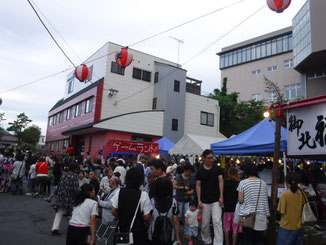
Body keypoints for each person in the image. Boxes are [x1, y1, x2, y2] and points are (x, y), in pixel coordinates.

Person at [111, 167, 152, 245]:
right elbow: (147, 217)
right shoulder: (143, 195)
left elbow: (113, 210)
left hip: (122, 229)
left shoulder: (119, 191)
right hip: (138, 232)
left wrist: (120, 216)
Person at [196, 149, 224, 245]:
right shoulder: (200, 170)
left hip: (216, 199)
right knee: (204, 224)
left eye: (212, 158)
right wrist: (199, 200)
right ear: (204, 158)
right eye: (209, 158)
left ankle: (218, 243)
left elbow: (221, 181)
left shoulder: (217, 168)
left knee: (217, 222)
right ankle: (207, 240)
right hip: (204, 200)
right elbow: (198, 185)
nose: (211, 160)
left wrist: (221, 196)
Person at [237, 163, 270, 245]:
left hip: (247, 216)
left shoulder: (243, 183)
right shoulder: (263, 183)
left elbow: (240, 200)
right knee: (259, 240)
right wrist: (268, 215)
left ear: (246, 171)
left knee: (248, 240)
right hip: (261, 216)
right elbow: (265, 200)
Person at [149, 175, 181, 245]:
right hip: (169, 235)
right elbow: (175, 221)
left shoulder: (152, 201)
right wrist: (177, 238)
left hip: (154, 234)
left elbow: (149, 218)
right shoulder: (173, 201)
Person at [277, 172, 306, 245]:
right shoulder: (301, 193)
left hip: (286, 227)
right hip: (299, 227)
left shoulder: (285, 195)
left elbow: (281, 211)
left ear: (286, 182)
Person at [51, 163, 79, 235]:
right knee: (71, 213)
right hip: (69, 197)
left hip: (61, 196)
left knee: (59, 212)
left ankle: (55, 228)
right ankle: (73, 230)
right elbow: (75, 189)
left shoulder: (64, 175)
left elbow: (59, 184)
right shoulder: (75, 176)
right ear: (75, 169)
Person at [223, 167, 242, 245]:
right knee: (235, 229)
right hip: (235, 209)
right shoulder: (238, 183)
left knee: (226, 228)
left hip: (226, 208)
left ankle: (227, 243)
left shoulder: (224, 183)